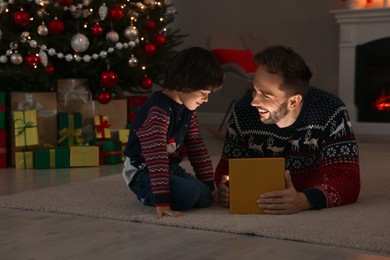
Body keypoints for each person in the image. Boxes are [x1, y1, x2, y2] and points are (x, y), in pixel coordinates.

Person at [215, 45, 360, 214]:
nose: (254, 101)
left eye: (266, 95)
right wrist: (225, 187)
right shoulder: (243, 111)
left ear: (293, 101)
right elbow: (227, 167)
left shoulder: (330, 110)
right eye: (254, 90)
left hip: (311, 189)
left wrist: (305, 200)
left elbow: (349, 180)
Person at [122, 47, 224, 219]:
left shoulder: (188, 111)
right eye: (203, 92)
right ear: (185, 82)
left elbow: (197, 149)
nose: (206, 99)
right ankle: (147, 195)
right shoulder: (158, 111)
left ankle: (179, 189)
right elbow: (156, 157)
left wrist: (209, 186)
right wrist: (162, 202)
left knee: (204, 196)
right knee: (190, 193)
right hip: (143, 171)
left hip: (170, 168)